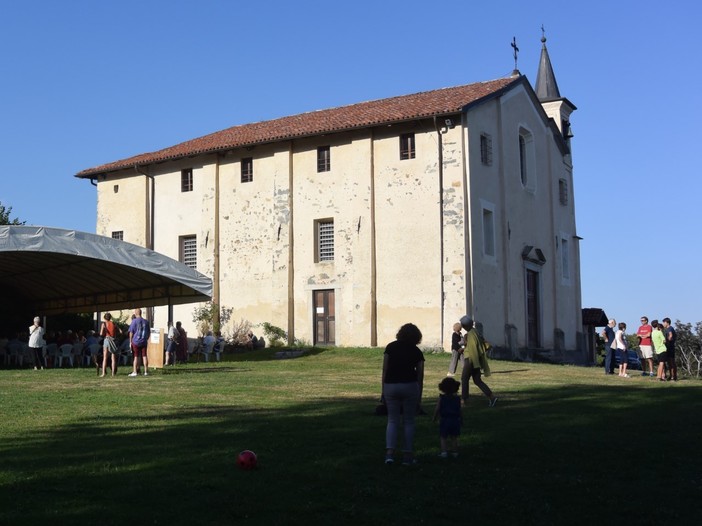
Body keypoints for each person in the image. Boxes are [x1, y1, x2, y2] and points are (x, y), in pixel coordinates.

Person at [381, 323, 425, 466]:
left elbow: (385, 370)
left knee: (392, 420)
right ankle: (407, 455)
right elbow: (420, 375)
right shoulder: (417, 351)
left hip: (391, 385)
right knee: (409, 421)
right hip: (409, 386)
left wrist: (383, 390)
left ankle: (389, 454)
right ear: (417, 337)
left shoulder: (390, 347)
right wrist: (419, 396)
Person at [459, 316, 497, 407]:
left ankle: (464, 400)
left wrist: (468, 356)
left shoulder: (471, 334)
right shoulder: (474, 332)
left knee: (464, 379)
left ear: (465, 326)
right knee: (477, 380)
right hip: (475, 359)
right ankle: (492, 397)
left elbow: (472, 349)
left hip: (471, 359)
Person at [432, 377, 462, 458]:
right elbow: (459, 410)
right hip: (455, 420)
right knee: (454, 437)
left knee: (443, 437)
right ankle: (455, 452)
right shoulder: (457, 399)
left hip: (445, 420)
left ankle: (444, 452)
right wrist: (461, 419)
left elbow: (437, 408)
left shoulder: (442, 398)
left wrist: (434, 417)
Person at [128, 308, 150, 377]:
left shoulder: (134, 321)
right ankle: (146, 371)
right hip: (144, 341)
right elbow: (148, 332)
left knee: (136, 356)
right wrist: (146, 338)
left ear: (136, 313)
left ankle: (135, 371)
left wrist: (130, 341)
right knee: (144, 356)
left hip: (136, 341)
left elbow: (131, 332)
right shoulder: (146, 322)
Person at [100, 313, 122, 377]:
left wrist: (104, 333)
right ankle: (113, 373)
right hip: (113, 340)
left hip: (107, 339)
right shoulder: (114, 324)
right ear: (110, 317)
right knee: (113, 358)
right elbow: (121, 331)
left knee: (105, 357)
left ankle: (103, 373)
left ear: (104, 318)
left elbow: (101, 333)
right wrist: (115, 334)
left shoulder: (104, 324)